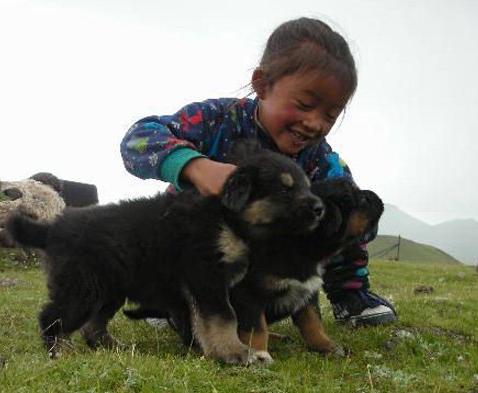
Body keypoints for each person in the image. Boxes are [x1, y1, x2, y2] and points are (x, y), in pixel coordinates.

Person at [120, 17, 396, 327]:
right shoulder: (216, 120)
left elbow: (357, 220)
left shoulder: (322, 161)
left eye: (330, 115)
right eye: (305, 104)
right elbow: (138, 139)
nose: (315, 123)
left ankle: (350, 295)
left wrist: (342, 221)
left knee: (345, 209)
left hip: (262, 264)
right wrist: (195, 167)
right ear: (262, 85)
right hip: (197, 249)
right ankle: (174, 300)